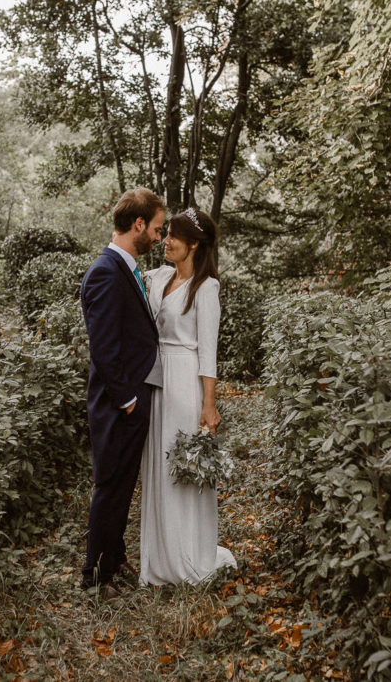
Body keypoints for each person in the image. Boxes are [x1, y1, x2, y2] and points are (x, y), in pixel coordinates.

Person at [139, 207, 237, 586]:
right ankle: (160, 560)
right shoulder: (160, 277)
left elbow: (208, 351)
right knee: (158, 470)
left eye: (173, 236)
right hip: (156, 380)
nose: (166, 242)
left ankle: (189, 557)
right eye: (165, 235)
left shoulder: (206, 287)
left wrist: (208, 404)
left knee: (182, 469)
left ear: (193, 243)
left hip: (185, 384)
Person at [79, 187, 165, 596]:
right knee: (110, 488)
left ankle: (114, 559)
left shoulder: (125, 268)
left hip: (129, 400)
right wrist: (129, 401)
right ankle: (95, 578)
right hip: (118, 405)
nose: (159, 237)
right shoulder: (105, 272)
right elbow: (104, 347)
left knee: (121, 486)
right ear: (138, 224)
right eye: (157, 228)